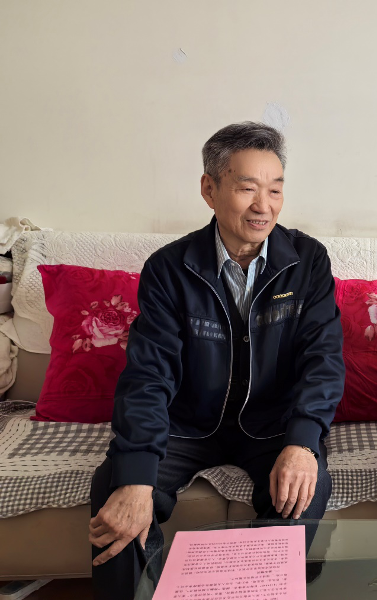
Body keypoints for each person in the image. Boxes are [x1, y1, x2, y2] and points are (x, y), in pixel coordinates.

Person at [88, 122, 345, 600]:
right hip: (186, 426)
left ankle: (249, 592)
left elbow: (323, 359)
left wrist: (303, 442)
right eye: (247, 188)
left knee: (305, 490)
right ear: (209, 189)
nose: (263, 206)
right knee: (115, 487)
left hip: (272, 426)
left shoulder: (307, 260)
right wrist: (137, 476)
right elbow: (149, 374)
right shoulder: (169, 268)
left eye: (275, 189)